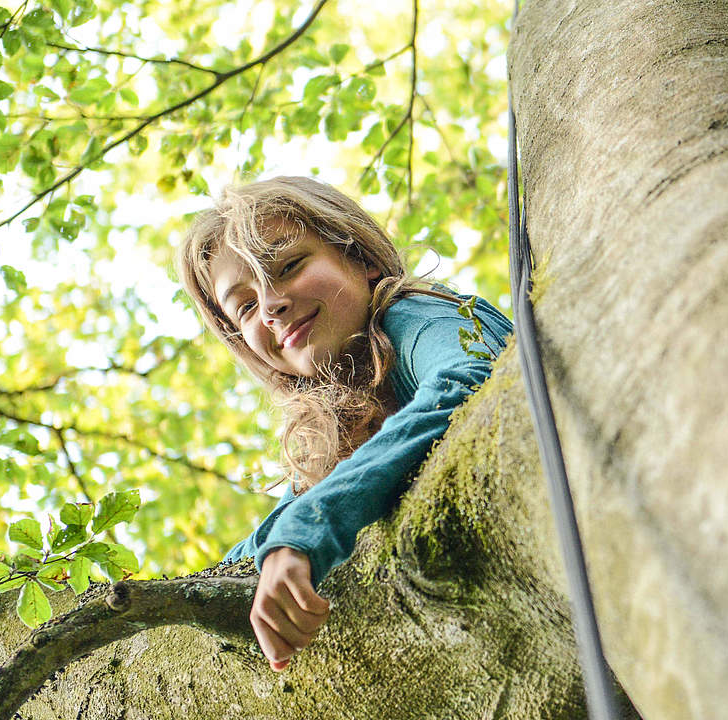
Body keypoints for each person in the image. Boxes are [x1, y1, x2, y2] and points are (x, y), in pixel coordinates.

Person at [177, 176, 512, 671]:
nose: (270, 307)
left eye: (289, 266)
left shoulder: (416, 314)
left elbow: (471, 377)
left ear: (361, 257)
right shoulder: (335, 432)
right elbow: (260, 545)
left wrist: (308, 529)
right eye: (245, 306)